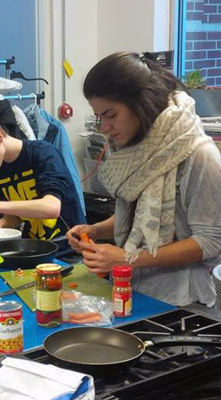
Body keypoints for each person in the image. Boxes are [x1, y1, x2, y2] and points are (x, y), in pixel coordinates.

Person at [67, 51, 221, 307]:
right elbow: (148, 214)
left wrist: (128, 258)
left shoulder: (199, 155)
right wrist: (96, 230)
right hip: (132, 290)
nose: (104, 127)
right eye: (99, 117)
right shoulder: (138, 150)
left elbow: (209, 241)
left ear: (141, 103)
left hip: (181, 303)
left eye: (111, 114)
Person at [0, 110, 85, 242]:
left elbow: (52, 207)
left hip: (68, 250)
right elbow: (14, 216)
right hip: (34, 248)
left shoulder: (43, 153)